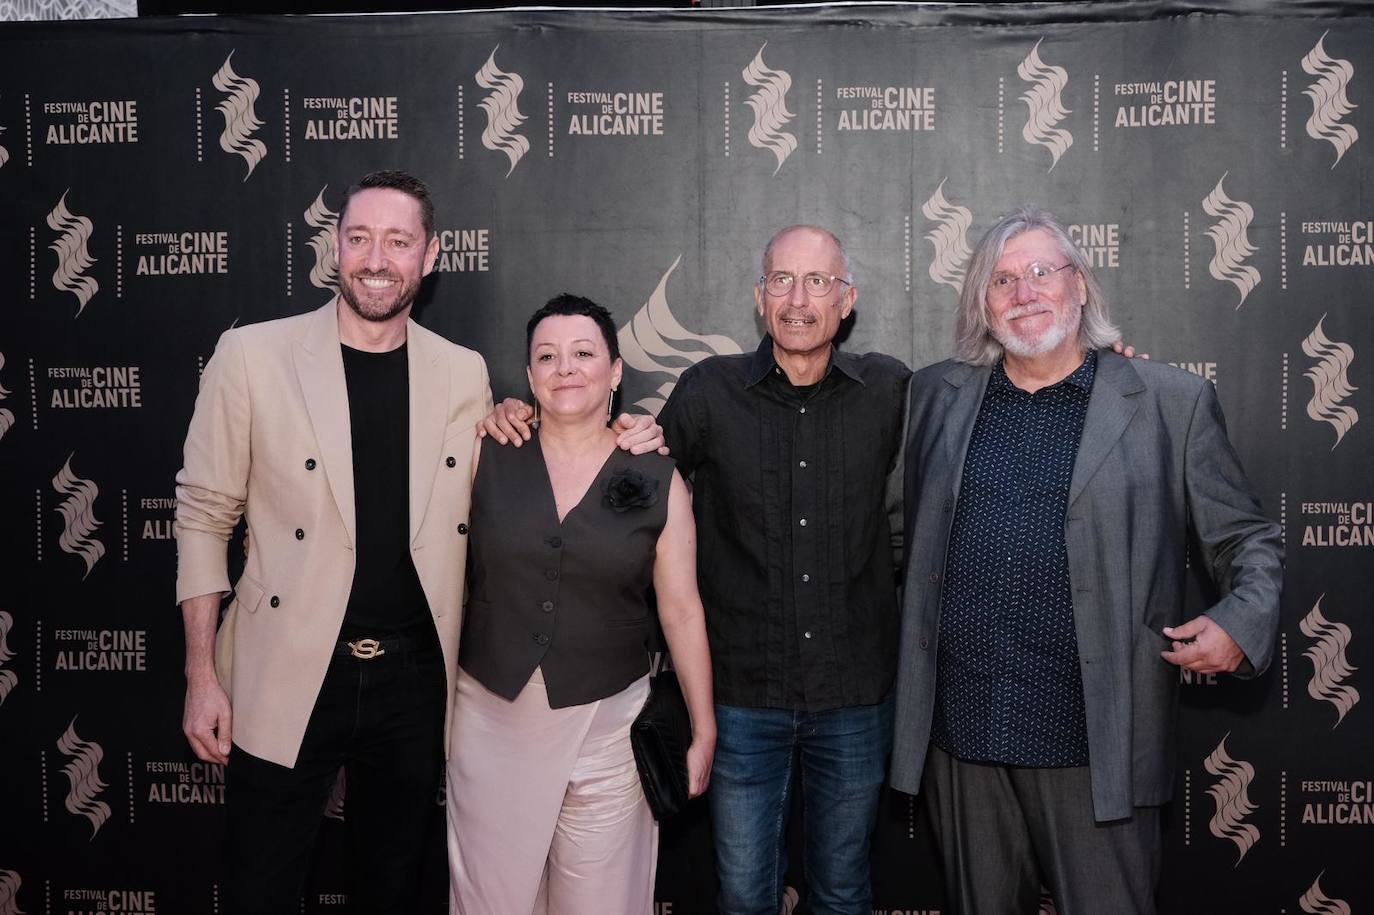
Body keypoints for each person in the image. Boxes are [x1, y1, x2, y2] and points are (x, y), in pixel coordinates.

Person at [174, 171, 657, 914]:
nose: (377, 258)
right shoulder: (251, 357)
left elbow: (537, 456)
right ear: (334, 247)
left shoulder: (462, 373)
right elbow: (204, 516)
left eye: (399, 241)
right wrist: (202, 672)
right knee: (259, 887)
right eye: (360, 237)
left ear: (429, 257)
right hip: (284, 666)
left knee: (392, 888)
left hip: (412, 679)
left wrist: (622, 433)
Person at [482, 225, 909, 915]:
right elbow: (625, 472)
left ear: (848, 298)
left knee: (844, 889)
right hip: (740, 695)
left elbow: (975, 413)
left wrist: (1103, 361)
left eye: (818, 282)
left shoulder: (891, 389)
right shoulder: (709, 391)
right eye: (781, 280)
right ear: (758, 295)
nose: (798, 299)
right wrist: (521, 413)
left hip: (854, 695)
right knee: (742, 894)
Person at [889, 206, 1283, 914]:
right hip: (962, 739)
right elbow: (898, 535)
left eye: (1043, 271)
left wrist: (1241, 621)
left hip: (1097, 740)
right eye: (1002, 279)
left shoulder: (1170, 402)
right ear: (982, 302)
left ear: (1081, 286)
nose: (1024, 291)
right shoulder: (933, 397)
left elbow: (1248, 539)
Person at [446, 293, 715, 915]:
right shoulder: (484, 453)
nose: (565, 367)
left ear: (615, 372)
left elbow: (681, 611)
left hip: (609, 730)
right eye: (547, 356)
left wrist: (703, 728)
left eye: (583, 353)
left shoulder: (658, 476)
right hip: (490, 720)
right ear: (530, 374)